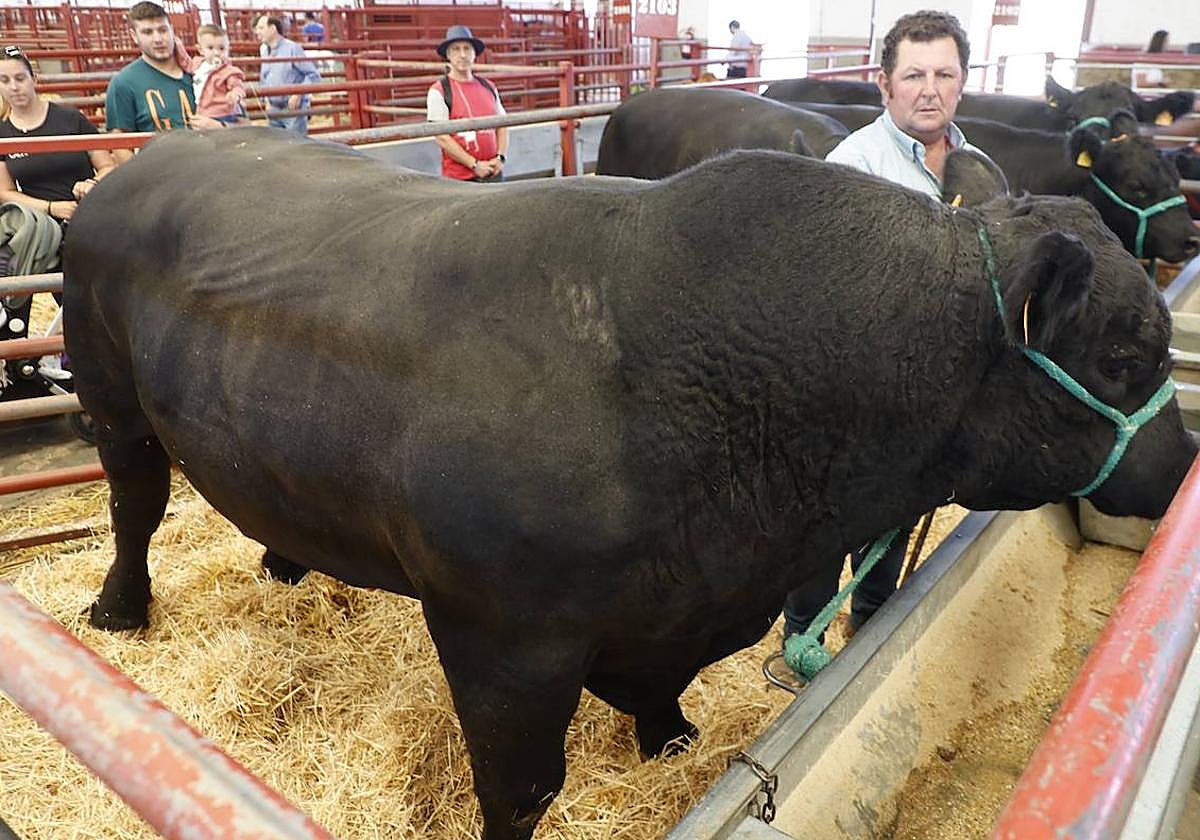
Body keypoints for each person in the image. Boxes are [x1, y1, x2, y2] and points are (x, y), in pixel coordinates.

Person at [782, 10, 987, 643]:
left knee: (898, 515)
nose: (930, 89)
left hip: (932, 393)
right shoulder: (853, 165)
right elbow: (820, 297)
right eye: (914, 75)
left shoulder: (977, 166)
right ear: (884, 84)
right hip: (853, 392)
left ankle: (870, 627)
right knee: (828, 516)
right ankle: (803, 637)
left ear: (962, 81)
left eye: (944, 74)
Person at [0, 45, 115, 224]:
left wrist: (92, 183)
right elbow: (5, 192)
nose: (14, 87)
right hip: (39, 223)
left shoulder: (71, 118)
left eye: (20, 78)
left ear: (34, 79)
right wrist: (50, 207)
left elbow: (108, 166)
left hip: (88, 212)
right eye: (4, 80)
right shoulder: (2, 131)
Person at [105, 1, 222, 163]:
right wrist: (144, 180)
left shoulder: (204, 71)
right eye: (148, 32)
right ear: (134, 36)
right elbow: (119, 143)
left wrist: (220, 129)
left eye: (163, 30)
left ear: (172, 30)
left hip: (216, 167)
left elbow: (243, 124)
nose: (158, 39)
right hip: (162, 176)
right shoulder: (123, 83)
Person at [426, 25, 508, 182]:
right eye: (456, 49)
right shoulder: (440, 91)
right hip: (461, 179)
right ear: (448, 55)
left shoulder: (489, 86)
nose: (462, 55)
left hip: (493, 172)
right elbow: (441, 136)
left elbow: (503, 124)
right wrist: (474, 165)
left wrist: (500, 157)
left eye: (467, 49)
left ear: (474, 54)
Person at [254, 14, 322, 134]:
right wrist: (265, 100)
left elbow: (313, 75)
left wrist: (298, 93)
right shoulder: (264, 50)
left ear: (273, 28)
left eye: (261, 28)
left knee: (296, 146)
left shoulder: (292, 48)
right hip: (273, 108)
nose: (257, 32)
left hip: (292, 108)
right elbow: (264, 77)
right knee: (278, 147)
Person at [173, 24, 246, 126]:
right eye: (210, 48)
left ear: (228, 49)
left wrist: (235, 94)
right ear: (201, 50)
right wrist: (178, 46)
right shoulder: (198, 64)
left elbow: (237, 86)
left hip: (223, 113)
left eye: (221, 48)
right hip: (203, 111)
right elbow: (185, 62)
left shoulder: (229, 71)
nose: (216, 53)